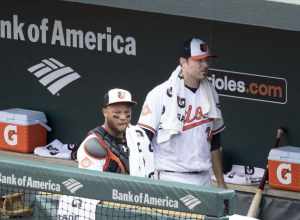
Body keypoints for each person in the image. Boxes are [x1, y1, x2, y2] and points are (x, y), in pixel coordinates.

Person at [138, 37, 226, 188]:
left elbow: (215, 142)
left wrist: (221, 183)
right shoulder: (160, 94)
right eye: (199, 61)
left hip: (204, 179)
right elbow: (142, 141)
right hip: (170, 178)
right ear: (183, 62)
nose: (205, 65)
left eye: (207, 60)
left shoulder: (211, 94)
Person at [77, 88, 153, 178]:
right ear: (105, 112)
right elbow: (91, 183)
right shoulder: (94, 144)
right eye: (117, 112)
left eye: (127, 112)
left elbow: (150, 171)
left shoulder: (138, 135)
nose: (123, 117)